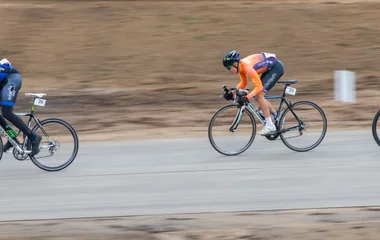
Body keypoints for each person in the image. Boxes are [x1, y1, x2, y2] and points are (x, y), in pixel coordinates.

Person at [222, 50, 284, 135]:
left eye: (229, 68)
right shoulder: (241, 67)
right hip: (269, 68)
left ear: (235, 64)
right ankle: (277, 116)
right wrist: (232, 93)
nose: (228, 70)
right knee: (258, 95)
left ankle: (270, 125)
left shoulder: (247, 68)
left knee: (259, 95)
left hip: (276, 68)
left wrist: (247, 97)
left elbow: (259, 87)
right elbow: (244, 83)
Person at [0, 58, 41, 155]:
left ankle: (34, 137)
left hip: (11, 79)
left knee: (7, 112)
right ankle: (12, 137)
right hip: (4, 83)